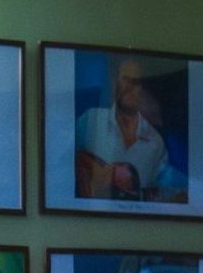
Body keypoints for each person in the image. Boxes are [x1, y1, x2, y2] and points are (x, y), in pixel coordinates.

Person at [74, 56, 185, 201]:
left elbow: (166, 192)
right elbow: (60, 168)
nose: (130, 86)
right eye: (125, 79)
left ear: (144, 89)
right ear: (115, 82)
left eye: (136, 82)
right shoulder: (90, 120)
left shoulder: (156, 143)